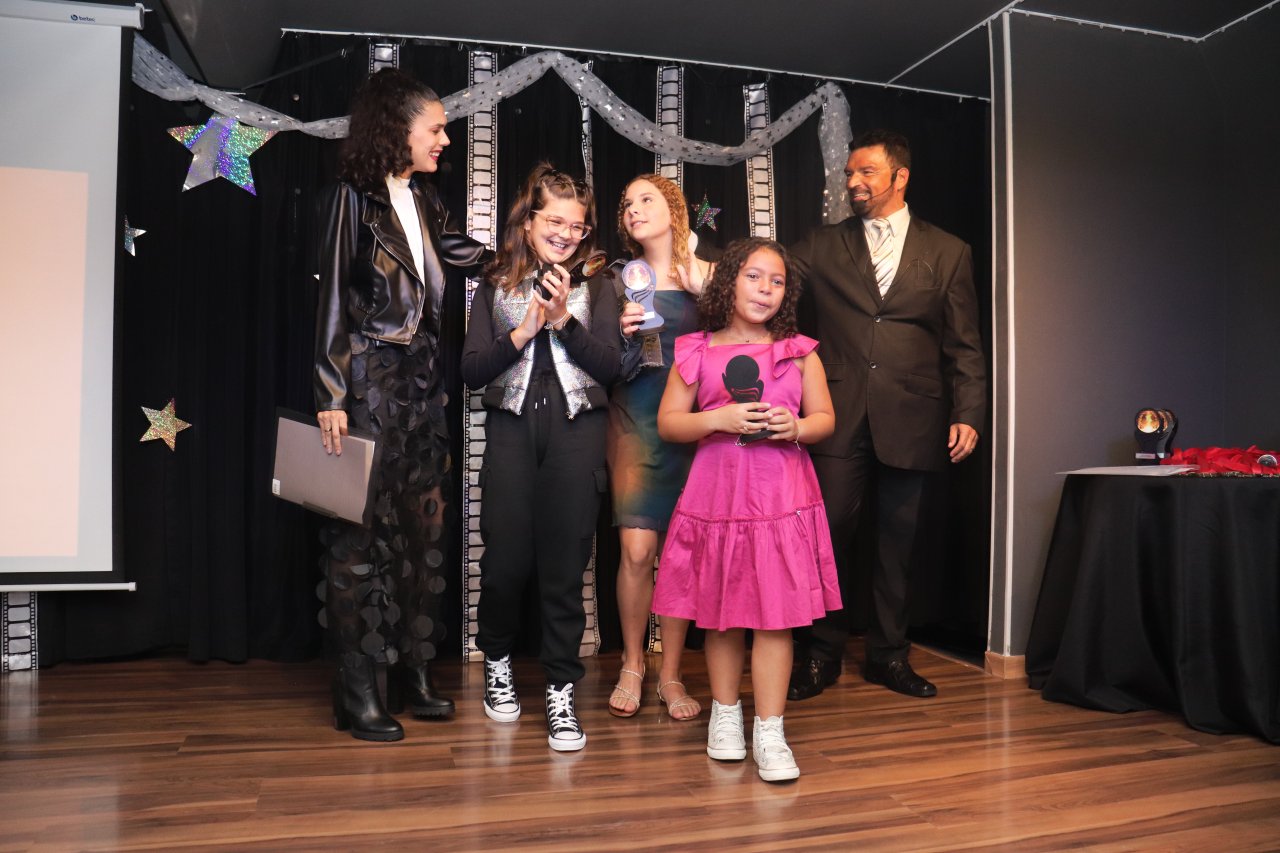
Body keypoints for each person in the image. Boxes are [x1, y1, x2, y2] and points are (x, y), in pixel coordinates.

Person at [314, 68, 490, 742]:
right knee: (358, 539)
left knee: (422, 537)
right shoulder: (352, 198)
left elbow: (464, 256)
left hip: (422, 389)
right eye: (435, 128)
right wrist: (331, 393)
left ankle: (414, 674)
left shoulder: (427, 201)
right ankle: (357, 691)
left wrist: (532, 258)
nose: (445, 139)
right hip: (366, 386)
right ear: (399, 127)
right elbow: (332, 296)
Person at [788, 129, 986, 701]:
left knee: (899, 543)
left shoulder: (949, 251)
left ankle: (888, 655)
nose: (853, 182)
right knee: (827, 534)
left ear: (900, 177)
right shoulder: (822, 244)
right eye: (849, 173)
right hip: (837, 409)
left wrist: (970, 411)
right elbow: (765, 271)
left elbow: (964, 344)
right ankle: (819, 654)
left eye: (866, 172)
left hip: (915, 415)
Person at [652, 237, 839, 782]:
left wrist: (797, 427)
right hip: (718, 500)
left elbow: (825, 419)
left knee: (777, 620)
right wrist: (719, 419)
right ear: (729, 282)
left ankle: (771, 730)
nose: (765, 289)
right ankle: (726, 716)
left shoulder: (799, 352)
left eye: (777, 281)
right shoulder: (696, 350)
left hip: (781, 500)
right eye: (754, 277)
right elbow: (669, 423)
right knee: (723, 615)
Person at [461, 164, 621, 752]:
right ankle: (497, 661)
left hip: (578, 433)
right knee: (504, 564)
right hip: (511, 430)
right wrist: (525, 332)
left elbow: (612, 367)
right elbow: (471, 371)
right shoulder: (495, 284)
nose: (566, 234)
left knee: (564, 569)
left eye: (577, 227)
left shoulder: (602, 284)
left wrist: (563, 323)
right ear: (527, 221)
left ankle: (561, 690)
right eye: (555, 221)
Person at [607, 174, 713, 720]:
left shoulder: (710, 275)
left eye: (645, 199)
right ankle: (632, 662)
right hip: (635, 418)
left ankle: (671, 672)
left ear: (673, 209)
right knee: (636, 550)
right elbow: (598, 359)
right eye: (627, 203)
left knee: (681, 553)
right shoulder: (616, 280)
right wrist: (619, 332)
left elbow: (745, 335)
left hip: (693, 426)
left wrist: (703, 292)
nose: (633, 209)